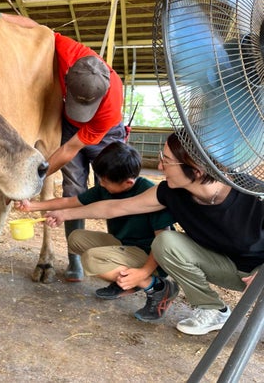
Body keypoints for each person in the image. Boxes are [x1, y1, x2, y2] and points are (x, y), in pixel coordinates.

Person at [44, 131, 264, 335]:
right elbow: (115, 207)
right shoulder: (170, 192)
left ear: (196, 170)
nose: (159, 166)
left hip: (256, 272)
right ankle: (213, 309)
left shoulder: (253, 193)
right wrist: (65, 214)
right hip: (220, 264)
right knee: (166, 242)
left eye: (166, 161)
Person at [0, 12, 126, 283]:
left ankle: (121, 255)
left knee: (112, 189)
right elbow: (35, 27)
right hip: (69, 126)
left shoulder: (110, 104)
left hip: (104, 134)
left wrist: (34, 181)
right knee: (74, 188)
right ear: (68, 76)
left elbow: (70, 150)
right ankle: (74, 258)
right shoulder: (69, 52)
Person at [15, 142, 176, 314]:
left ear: (128, 182)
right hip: (125, 245)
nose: (102, 184)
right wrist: (32, 206)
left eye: (105, 181)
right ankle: (124, 283)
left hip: (152, 256)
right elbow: (71, 201)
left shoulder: (150, 193)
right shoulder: (106, 188)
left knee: (91, 260)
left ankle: (156, 287)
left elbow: (163, 242)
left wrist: (144, 272)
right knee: (76, 238)